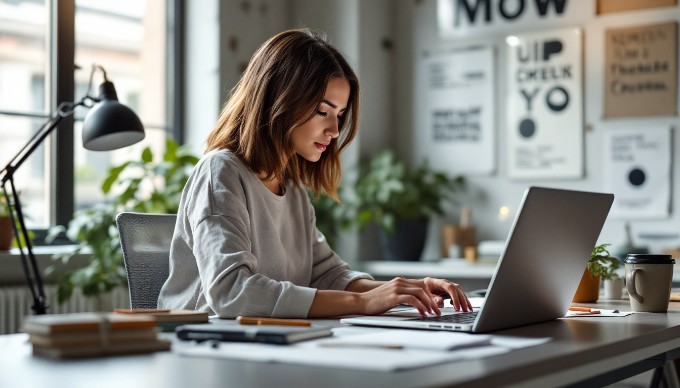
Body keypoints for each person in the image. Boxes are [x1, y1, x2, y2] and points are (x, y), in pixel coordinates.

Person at [157, 28, 472, 318]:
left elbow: (328, 275)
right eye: (323, 111)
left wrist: (403, 290)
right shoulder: (220, 172)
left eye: (339, 114)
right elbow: (232, 294)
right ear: (279, 99)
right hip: (204, 348)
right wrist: (364, 302)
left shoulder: (290, 187)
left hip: (267, 346)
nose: (335, 130)